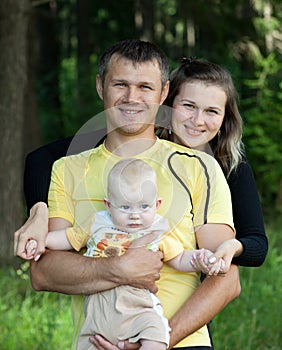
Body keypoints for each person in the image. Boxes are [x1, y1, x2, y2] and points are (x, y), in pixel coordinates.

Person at [14, 39, 240, 350]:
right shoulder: (67, 170)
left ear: (163, 93)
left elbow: (226, 278)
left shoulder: (199, 167)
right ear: (100, 86)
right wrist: (118, 269)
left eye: (145, 87)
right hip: (96, 341)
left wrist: (156, 339)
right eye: (120, 84)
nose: (132, 97)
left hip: (181, 342)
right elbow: (44, 273)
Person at [26, 158, 226, 350]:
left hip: (139, 306)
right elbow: (67, 238)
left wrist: (201, 260)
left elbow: (180, 258)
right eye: (125, 207)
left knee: (156, 334)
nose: (135, 215)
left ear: (157, 205)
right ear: (108, 204)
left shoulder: (156, 231)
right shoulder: (98, 223)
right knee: (88, 343)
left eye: (144, 206)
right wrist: (39, 241)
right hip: (97, 309)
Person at [156, 58, 268, 267]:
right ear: (169, 104)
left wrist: (233, 246)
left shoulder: (231, 164)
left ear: (225, 118)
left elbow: (258, 244)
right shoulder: (147, 148)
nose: (198, 120)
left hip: (198, 279)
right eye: (189, 106)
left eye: (211, 111)